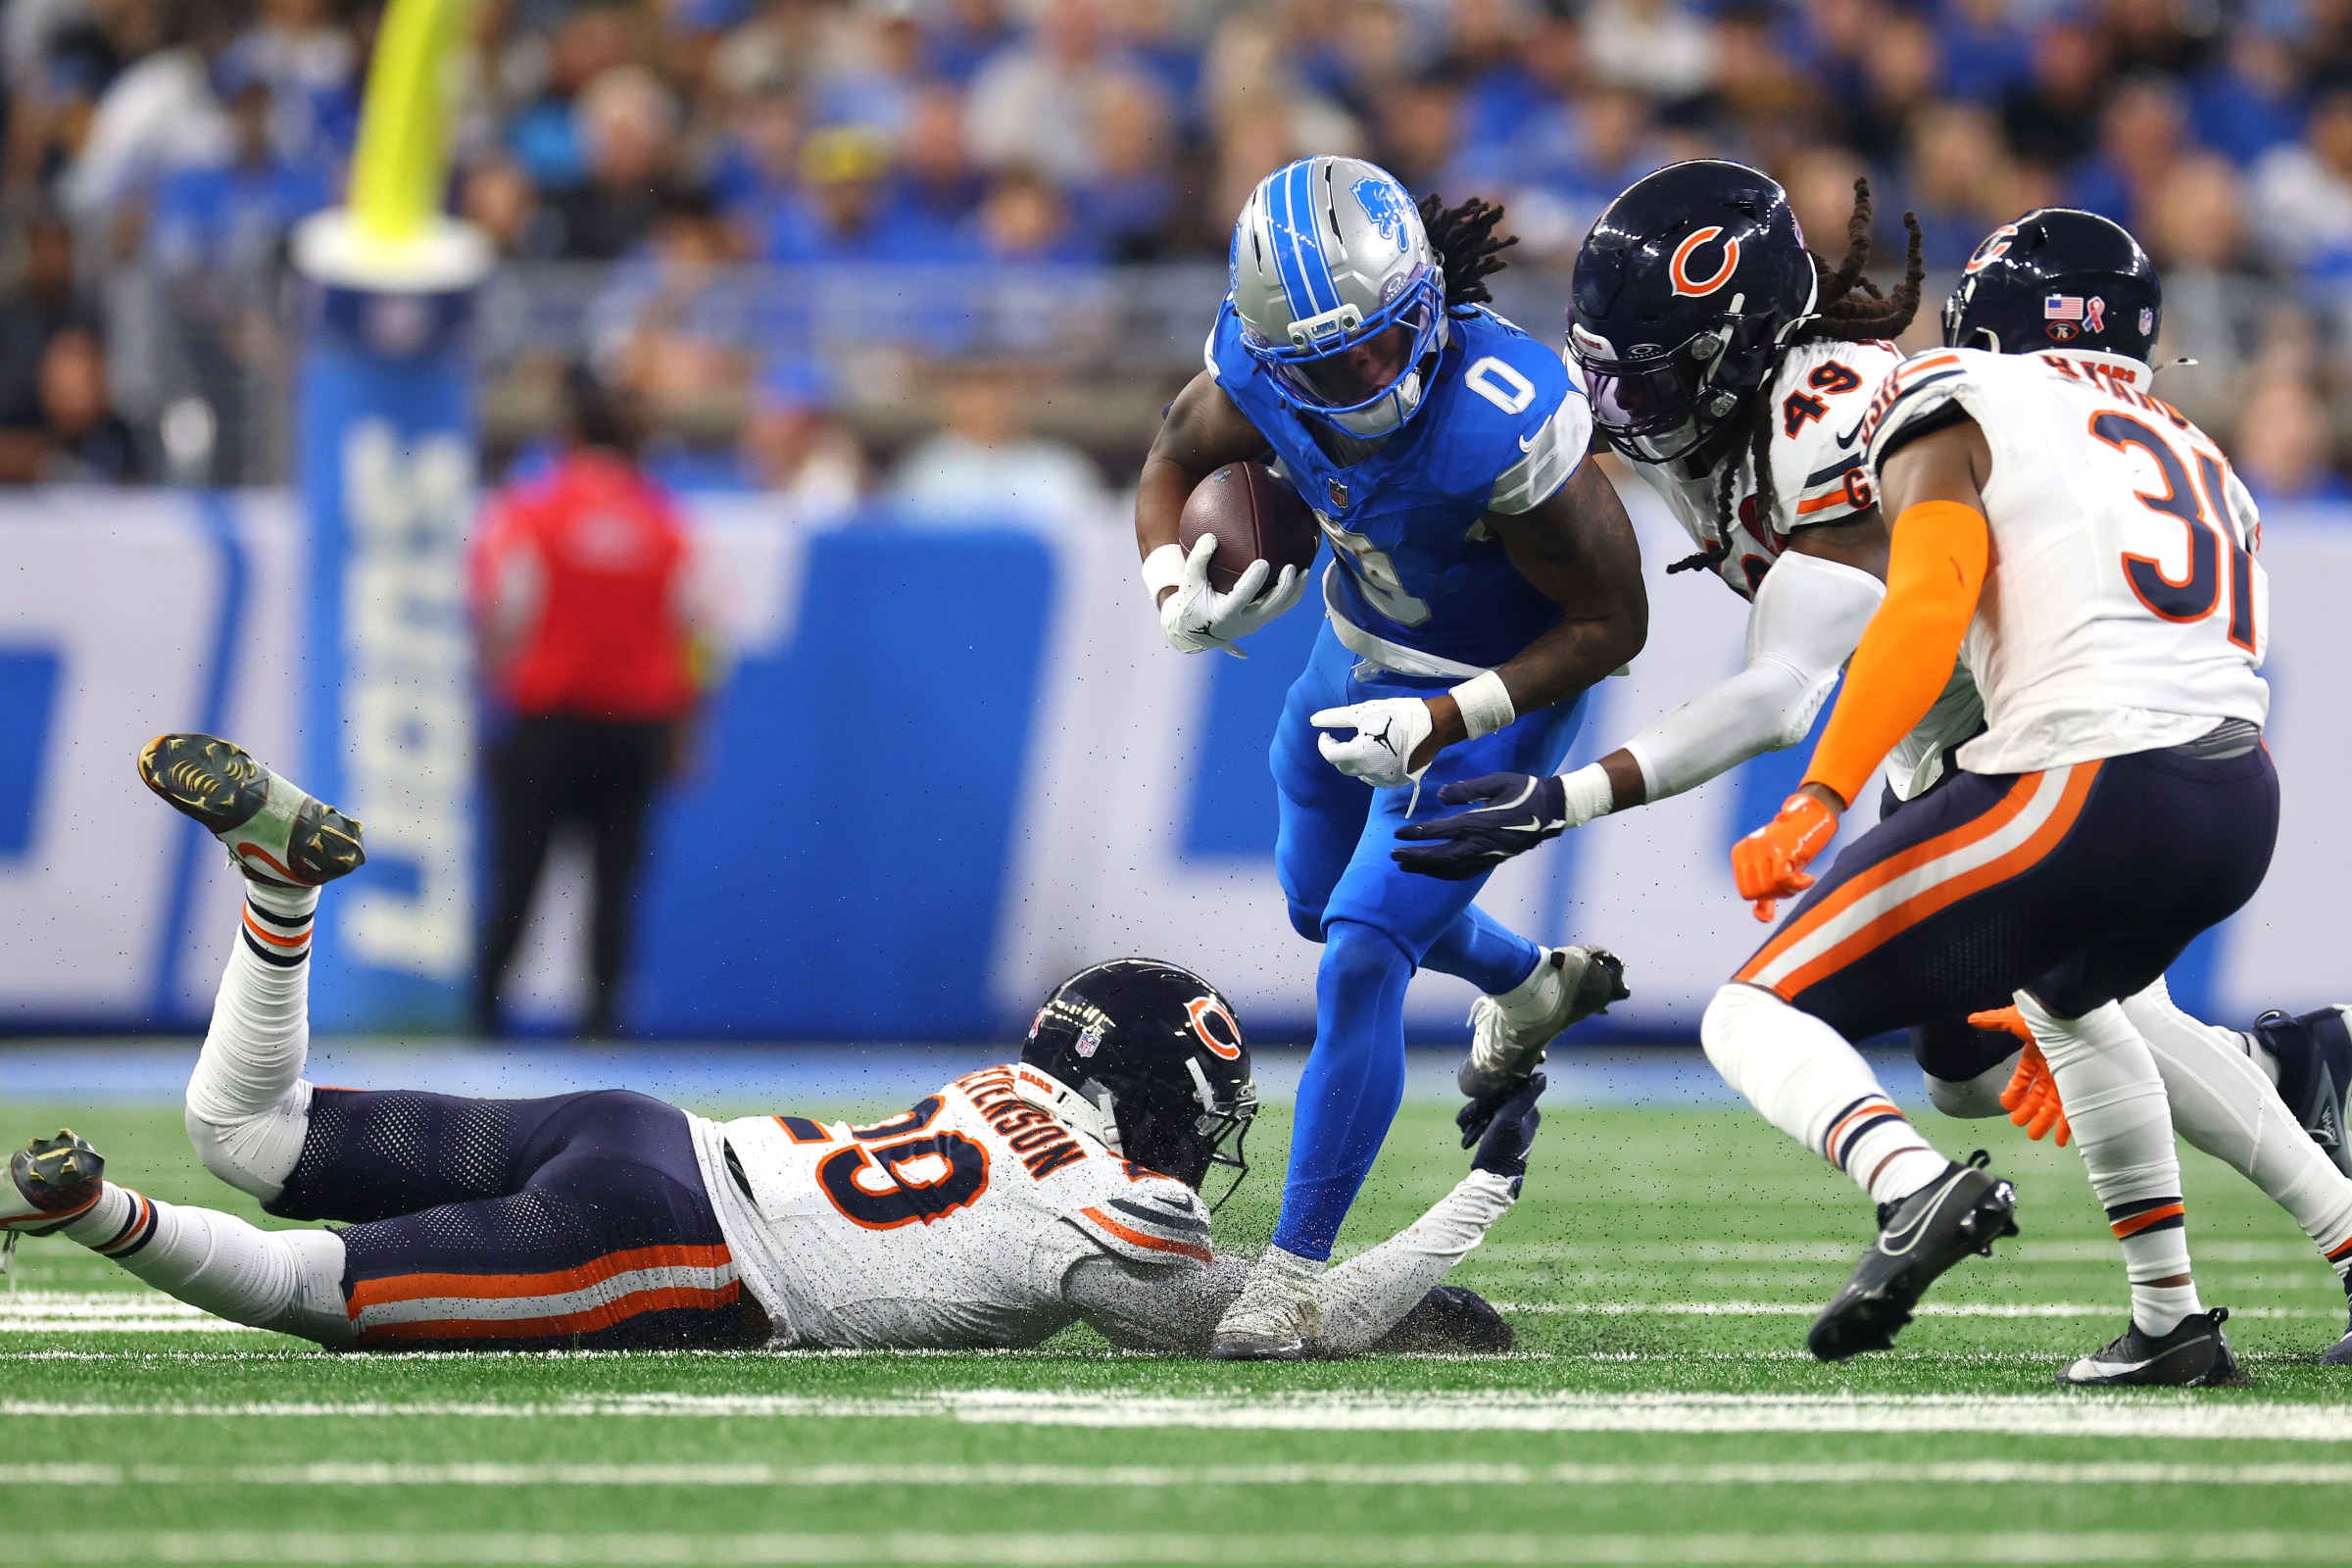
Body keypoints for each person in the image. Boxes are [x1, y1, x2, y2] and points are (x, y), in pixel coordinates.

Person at [1395, 169, 2352, 1368]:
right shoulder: (2177, 437)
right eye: (1616, 373)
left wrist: (1759, 796)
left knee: (1787, 1010)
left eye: (1659, 372)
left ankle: (2057, 1225)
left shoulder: (1890, 404)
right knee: (1994, 1055)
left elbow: (1813, 672)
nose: (1630, 406)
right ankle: (2207, 1243)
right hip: (2182, 766)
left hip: (2028, 751)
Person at [0, 733, 1538, 1357]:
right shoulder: (1110, 1209)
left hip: (639, 1132)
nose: (1202, 1142)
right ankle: (92, 1213)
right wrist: (1472, 1208)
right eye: (1198, 1112)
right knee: (323, 1296)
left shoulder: (999, 1093)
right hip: (670, 1243)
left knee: (248, 1137)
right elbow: (1266, 1330)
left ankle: (278, 898)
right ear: (1147, 1102)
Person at [1712, 210, 2280, 1386]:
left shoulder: (1963, 391)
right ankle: (2175, 1320)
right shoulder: (2194, 443)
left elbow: (1929, 602)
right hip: (2237, 797)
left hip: (2086, 782)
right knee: (2073, 1001)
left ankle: (1912, 1187)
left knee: (1753, 1011)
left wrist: (1821, 792)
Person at [1133, 156, 1647, 1358]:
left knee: (1364, 952)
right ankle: (1528, 981)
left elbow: (1613, 625)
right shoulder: (1256, 365)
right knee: (1316, 906)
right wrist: (1169, 584)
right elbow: (1169, 460)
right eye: (1331, 370)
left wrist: (1446, 720)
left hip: (1496, 694)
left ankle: (1292, 1276)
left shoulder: (1500, 414)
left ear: (1424, 302)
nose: (1367, 382)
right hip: (1354, 656)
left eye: (1380, 348)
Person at [469, 366, 710, 1039]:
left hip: (549, 722)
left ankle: (485, 1014)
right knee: (615, 880)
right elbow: (697, 633)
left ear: (568, 435)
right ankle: (603, 1020)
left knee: (519, 873)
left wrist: (491, 713)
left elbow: (500, 617)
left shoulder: (531, 513)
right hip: (635, 725)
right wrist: (687, 731)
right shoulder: (666, 521)